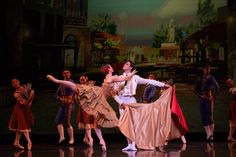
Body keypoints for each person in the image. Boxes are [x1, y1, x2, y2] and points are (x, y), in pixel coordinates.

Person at [47, 64, 137, 151]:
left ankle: (102, 141)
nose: (112, 68)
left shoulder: (110, 78)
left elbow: (115, 89)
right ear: (109, 69)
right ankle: (57, 81)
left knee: (97, 121)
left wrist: (120, 87)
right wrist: (131, 74)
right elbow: (124, 78)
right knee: (77, 88)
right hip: (98, 95)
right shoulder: (112, 77)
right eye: (111, 67)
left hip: (100, 100)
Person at [112, 60, 170, 151]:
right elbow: (114, 93)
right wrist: (120, 102)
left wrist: (163, 84)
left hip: (131, 101)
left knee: (134, 123)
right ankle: (130, 144)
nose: (124, 65)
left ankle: (134, 144)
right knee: (125, 123)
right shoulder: (119, 78)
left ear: (131, 67)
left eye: (126, 64)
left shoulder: (135, 77)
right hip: (122, 101)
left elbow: (149, 81)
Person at [194, 64, 219, 141]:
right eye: (207, 69)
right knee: (204, 116)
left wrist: (213, 96)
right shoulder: (200, 78)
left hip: (209, 98)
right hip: (203, 99)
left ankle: (211, 134)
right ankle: (208, 134)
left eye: (209, 69)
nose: (208, 70)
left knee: (210, 116)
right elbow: (195, 89)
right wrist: (200, 96)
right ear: (203, 69)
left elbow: (217, 87)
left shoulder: (211, 78)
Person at [8, 78, 35, 150]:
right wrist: (30, 98)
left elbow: (31, 93)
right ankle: (29, 141)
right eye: (13, 83)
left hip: (25, 110)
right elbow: (23, 103)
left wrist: (31, 100)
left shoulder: (24, 87)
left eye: (16, 81)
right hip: (18, 110)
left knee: (19, 128)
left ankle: (16, 142)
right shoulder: (16, 94)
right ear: (12, 85)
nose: (15, 83)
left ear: (19, 81)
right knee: (23, 126)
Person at [54, 68, 75, 145]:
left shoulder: (71, 82)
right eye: (65, 73)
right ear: (63, 74)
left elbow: (73, 91)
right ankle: (62, 137)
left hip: (70, 104)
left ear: (70, 74)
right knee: (57, 120)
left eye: (67, 73)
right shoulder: (61, 83)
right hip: (63, 104)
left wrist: (69, 98)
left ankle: (72, 138)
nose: (66, 74)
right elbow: (56, 94)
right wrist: (60, 98)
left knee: (67, 121)